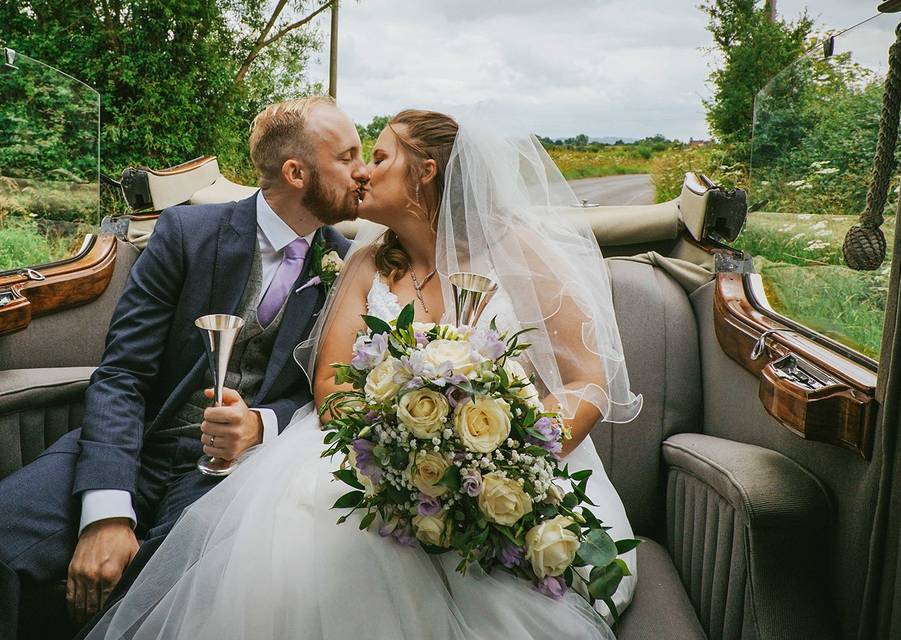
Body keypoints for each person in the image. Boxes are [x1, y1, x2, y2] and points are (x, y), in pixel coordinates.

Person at [85, 109, 644, 639]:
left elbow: (586, 380)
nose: (362, 172)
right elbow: (330, 384)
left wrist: (507, 458)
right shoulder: (365, 259)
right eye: (356, 157)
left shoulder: (521, 253)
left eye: (378, 157)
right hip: (376, 457)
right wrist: (401, 457)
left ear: (425, 172)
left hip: (517, 462)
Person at [0, 95, 368, 638]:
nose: (363, 171)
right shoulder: (186, 234)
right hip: (136, 442)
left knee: (161, 596)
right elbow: (122, 373)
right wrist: (105, 510)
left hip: (236, 477)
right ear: (296, 172)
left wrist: (259, 424)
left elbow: (320, 395)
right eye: (349, 155)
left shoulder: (347, 265)